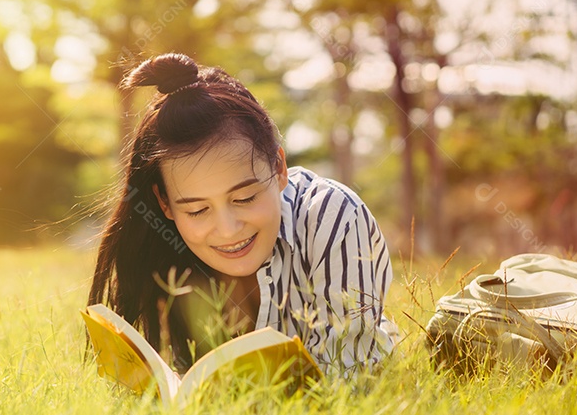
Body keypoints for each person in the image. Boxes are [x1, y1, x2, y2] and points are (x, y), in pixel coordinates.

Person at [87, 53, 395, 376]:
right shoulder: (164, 256)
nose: (228, 229)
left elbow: (350, 381)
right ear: (165, 204)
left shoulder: (332, 219)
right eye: (197, 210)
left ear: (278, 168)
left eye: (245, 198)